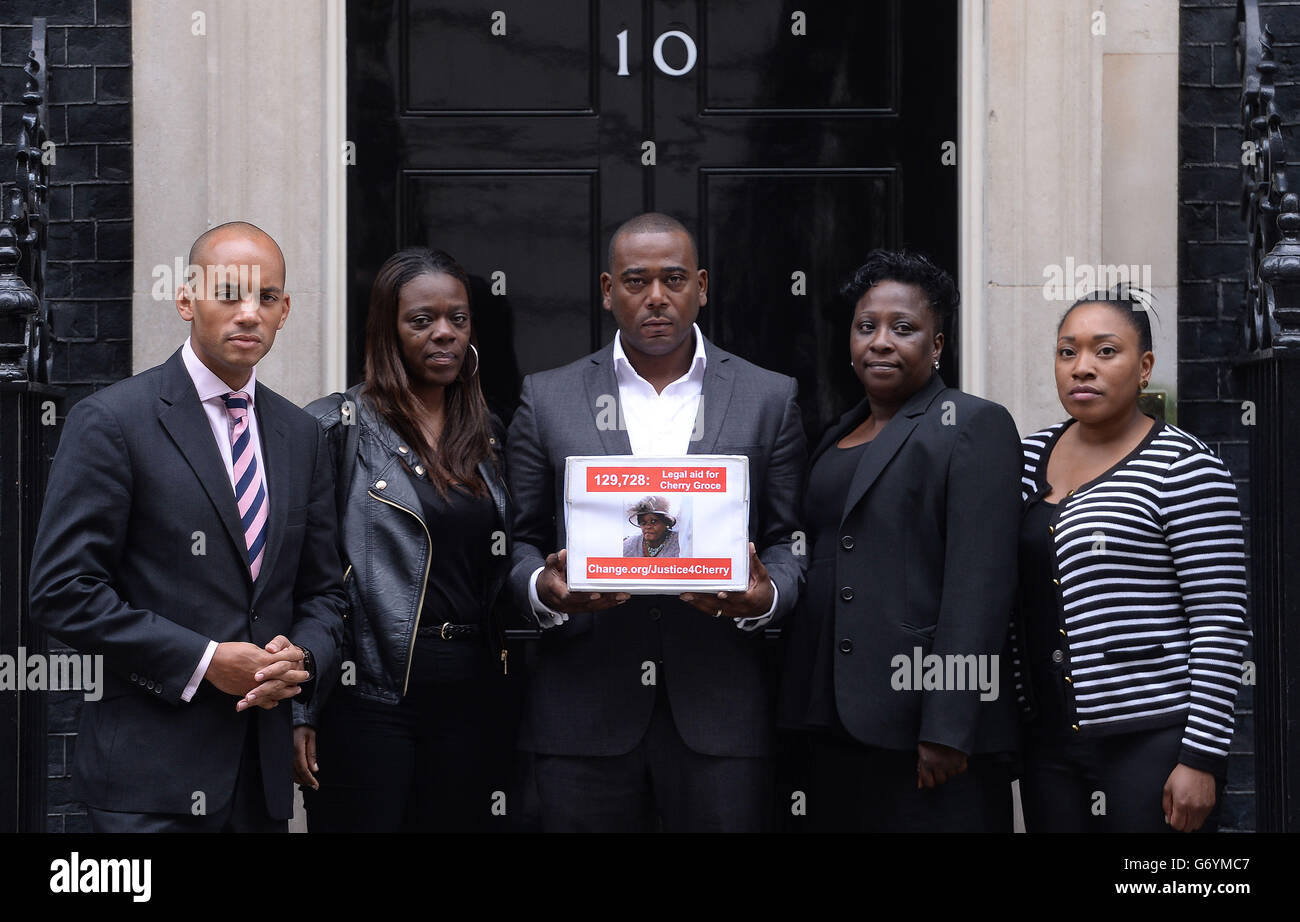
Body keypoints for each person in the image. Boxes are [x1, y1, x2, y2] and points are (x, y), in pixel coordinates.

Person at [28, 221, 346, 832]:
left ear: (285, 311)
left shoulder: (300, 435)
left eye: (267, 297)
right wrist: (203, 661)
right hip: (150, 783)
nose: (249, 313)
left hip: (260, 778)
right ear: (184, 299)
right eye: (229, 293)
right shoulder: (112, 421)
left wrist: (302, 655)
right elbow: (62, 592)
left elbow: (325, 592)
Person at [508, 212, 807, 832]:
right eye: (636, 280)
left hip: (722, 714)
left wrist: (764, 596)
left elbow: (790, 539)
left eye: (673, 280)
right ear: (606, 290)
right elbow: (519, 540)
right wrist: (543, 588)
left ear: (701, 285)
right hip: (582, 717)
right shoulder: (547, 397)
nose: (656, 298)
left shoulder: (768, 396)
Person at [778, 249, 1021, 832]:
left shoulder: (971, 424)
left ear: (937, 346)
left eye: (904, 328)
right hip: (834, 716)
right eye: (867, 327)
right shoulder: (837, 430)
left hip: (923, 724)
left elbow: (979, 588)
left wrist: (948, 726)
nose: (881, 342)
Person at [292, 247, 515, 832]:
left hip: (471, 697)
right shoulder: (335, 428)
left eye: (458, 319)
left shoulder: (487, 435)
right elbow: (301, 578)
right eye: (421, 320)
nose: (444, 333)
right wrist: (300, 708)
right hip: (367, 697)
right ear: (387, 330)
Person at [1015, 287, 1251, 833]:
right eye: (1067, 351)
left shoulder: (1185, 467)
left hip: (1151, 738)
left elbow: (1220, 622)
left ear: (1144, 367)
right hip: (1049, 740)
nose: (1082, 368)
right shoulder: (1026, 458)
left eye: (1105, 351)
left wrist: (1201, 759)